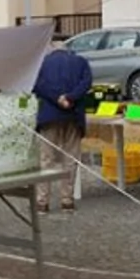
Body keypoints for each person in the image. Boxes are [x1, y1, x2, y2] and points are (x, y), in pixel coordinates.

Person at [32, 41, 93, 213]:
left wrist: (57, 98)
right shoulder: (81, 62)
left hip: (49, 115)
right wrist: (71, 98)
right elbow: (86, 82)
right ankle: (67, 200)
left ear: (51, 48)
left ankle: (42, 202)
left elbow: (37, 85)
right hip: (73, 115)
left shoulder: (42, 63)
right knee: (70, 159)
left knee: (46, 159)